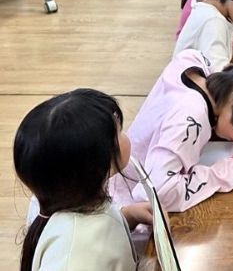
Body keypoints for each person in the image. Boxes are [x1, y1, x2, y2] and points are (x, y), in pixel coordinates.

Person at [110, 50, 233, 212]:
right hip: (128, 210)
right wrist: (224, 174)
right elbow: (157, 193)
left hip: (117, 180)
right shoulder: (191, 120)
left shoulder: (195, 62)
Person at [15, 89, 151, 271]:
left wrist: (128, 216)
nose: (124, 135)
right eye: (119, 131)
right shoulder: (76, 252)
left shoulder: (62, 198)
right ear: (97, 163)